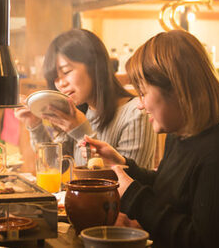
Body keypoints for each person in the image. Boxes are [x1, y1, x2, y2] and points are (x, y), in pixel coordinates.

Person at [83, 30, 219, 248]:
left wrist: (135, 197)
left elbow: (203, 242)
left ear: (177, 90)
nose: (140, 104)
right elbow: (170, 188)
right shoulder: (180, 136)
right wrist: (122, 165)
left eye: (143, 93)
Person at [15, 29, 156, 168]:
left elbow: (127, 183)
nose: (61, 83)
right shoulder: (81, 111)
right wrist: (35, 125)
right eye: (55, 78)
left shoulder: (137, 113)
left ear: (94, 65)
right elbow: (55, 166)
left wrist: (81, 132)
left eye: (66, 72)